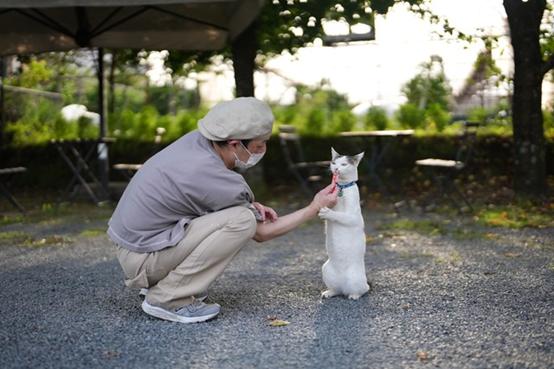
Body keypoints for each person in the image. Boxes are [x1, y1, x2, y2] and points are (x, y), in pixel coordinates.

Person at [107, 97, 338, 324]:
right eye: (259, 145)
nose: (263, 150)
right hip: (143, 261)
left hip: (135, 248)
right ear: (235, 144)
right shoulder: (211, 173)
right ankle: (168, 298)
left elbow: (195, 199)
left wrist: (242, 204)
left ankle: (166, 285)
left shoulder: (196, 143)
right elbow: (261, 232)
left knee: (240, 214)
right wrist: (314, 207)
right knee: (242, 221)